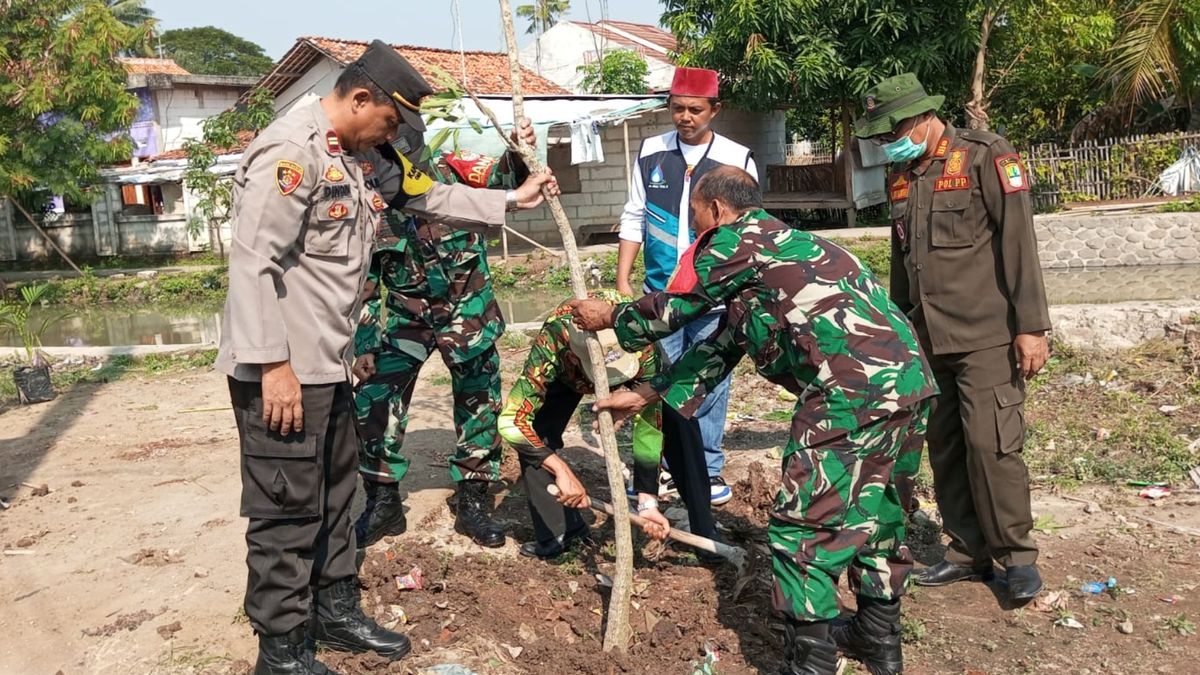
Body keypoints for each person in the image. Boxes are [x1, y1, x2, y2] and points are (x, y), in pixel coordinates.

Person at [215, 40, 557, 675]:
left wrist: (511, 199)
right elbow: (253, 260)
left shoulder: (361, 153)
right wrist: (273, 368)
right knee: (286, 512)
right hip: (285, 369)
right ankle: (283, 652)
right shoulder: (293, 152)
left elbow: (425, 197)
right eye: (391, 123)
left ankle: (334, 609)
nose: (394, 137)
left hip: (330, 364)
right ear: (360, 98)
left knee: (337, 497)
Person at [571, 166, 935, 675]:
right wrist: (652, 391)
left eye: (695, 213)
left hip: (848, 393)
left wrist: (609, 316)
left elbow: (674, 311)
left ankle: (810, 665)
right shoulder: (782, 245)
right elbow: (730, 335)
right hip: (908, 384)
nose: (694, 225)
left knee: (802, 529)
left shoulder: (734, 239)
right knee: (878, 512)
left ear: (717, 209)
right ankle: (877, 637)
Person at [854, 73, 1051, 603]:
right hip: (926, 337)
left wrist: (1031, 327)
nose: (882, 143)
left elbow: (1019, 243)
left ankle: (1015, 557)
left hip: (986, 335)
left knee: (992, 446)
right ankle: (966, 551)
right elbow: (903, 262)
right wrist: (897, 331)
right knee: (945, 447)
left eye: (888, 130)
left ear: (920, 117)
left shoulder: (986, 155)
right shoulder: (903, 173)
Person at [351, 123, 540, 551]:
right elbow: (364, 279)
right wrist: (362, 345)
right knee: (373, 403)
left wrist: (518, 150)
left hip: (467, 315)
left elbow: (505, 179)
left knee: (479, 408)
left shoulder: (455, 168)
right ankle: (383, 503)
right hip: (406, 320)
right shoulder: (369, 194)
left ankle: (473, 501)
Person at [614, 67, 756, 505]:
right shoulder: (651, 153)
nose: (685, 117)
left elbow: (744, 228)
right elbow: (635, 214)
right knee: (658, 377)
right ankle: (657, 468)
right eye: (677, 108)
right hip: (661, 293)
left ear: (715, 109)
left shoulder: (736, 158)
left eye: (695, 109)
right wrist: (624, 280)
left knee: (710, 381)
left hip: (712, 294)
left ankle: (707, 468)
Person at [496, 290, 719, 559]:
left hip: (636, 367)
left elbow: (650, 422)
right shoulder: (554, 340)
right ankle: (561, 533)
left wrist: (647, 500)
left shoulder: (640, 335)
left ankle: (704, 532)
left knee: (677, 418)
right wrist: (560, 468)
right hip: (568, 375)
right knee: (536, 435)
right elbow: (511, 420)